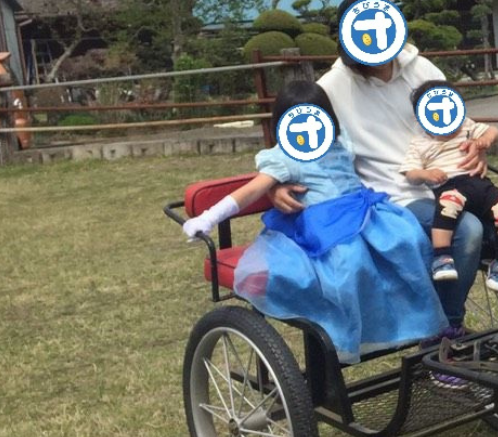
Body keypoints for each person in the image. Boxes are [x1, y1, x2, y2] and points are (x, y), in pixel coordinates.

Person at [269, 0, 498, 363]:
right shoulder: (331, 88)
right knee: (466, 231)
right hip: (392, 196)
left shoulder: (422, 69)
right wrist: (278, 184)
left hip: (452, 181)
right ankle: (442, 337)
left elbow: (454, 124)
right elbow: (297, 141)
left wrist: (474, 147)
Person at [181, 80, 443, 362]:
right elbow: (251, 191)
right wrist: (209, 218)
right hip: (323, 226)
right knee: (349, 262)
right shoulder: (285, 157)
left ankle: (419, 324)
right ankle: (353, 335)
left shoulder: (340, 143)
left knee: (407, 240)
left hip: (363, 213)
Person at [403, 79, 498, 293]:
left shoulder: (466, 126)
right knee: (449, 204)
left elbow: (493, 130)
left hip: (480, 184)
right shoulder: (420, 142)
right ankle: (442, 256)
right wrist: (426, 174)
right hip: (451, 185)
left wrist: (484, 141)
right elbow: (410, 173)